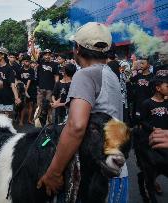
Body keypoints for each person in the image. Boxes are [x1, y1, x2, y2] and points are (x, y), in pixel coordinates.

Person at [37, 22, 128, 203]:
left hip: (96, 178)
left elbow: (76, 126)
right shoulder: (109, 72)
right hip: (116, 171)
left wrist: (54, 173)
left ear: (77, 48)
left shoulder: (85, 74)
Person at [139, 75, 168, 193]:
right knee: (153, 166)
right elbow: (142, 120)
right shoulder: (147, 103)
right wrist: (152, 128)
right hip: (152, 140)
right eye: (167, 86)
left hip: (166, 140)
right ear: (158, 88)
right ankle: (151, 183)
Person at [0, 47, 21, 116]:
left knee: (6, 123)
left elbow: (12, 84)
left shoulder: (9, 69)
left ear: (2, 55)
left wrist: (16, 98)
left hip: (7, 99)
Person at [130, 57, 154, 126]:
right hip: (138, 104)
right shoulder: (138, 75)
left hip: (148, 105)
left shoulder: (152, 77)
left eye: (143, 63)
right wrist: (132, 69)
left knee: (147, 122)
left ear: (148, 65)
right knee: (138, 122)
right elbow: (128, 79)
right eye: (140, 63)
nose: (141, 65)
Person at [18, 54, 35, 126]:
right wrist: (22, 86)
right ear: (23, 62)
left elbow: (29, 80)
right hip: (21, 89)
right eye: (25, 61)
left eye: (28, 61)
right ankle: (21, 121)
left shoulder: (31, 70)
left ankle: (29, 120)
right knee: (23, 105)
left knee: (30, 105)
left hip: (30, 89)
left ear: (30, 62)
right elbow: (18, 79)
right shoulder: (20, 70)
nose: (26, 63)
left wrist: (26, 89)